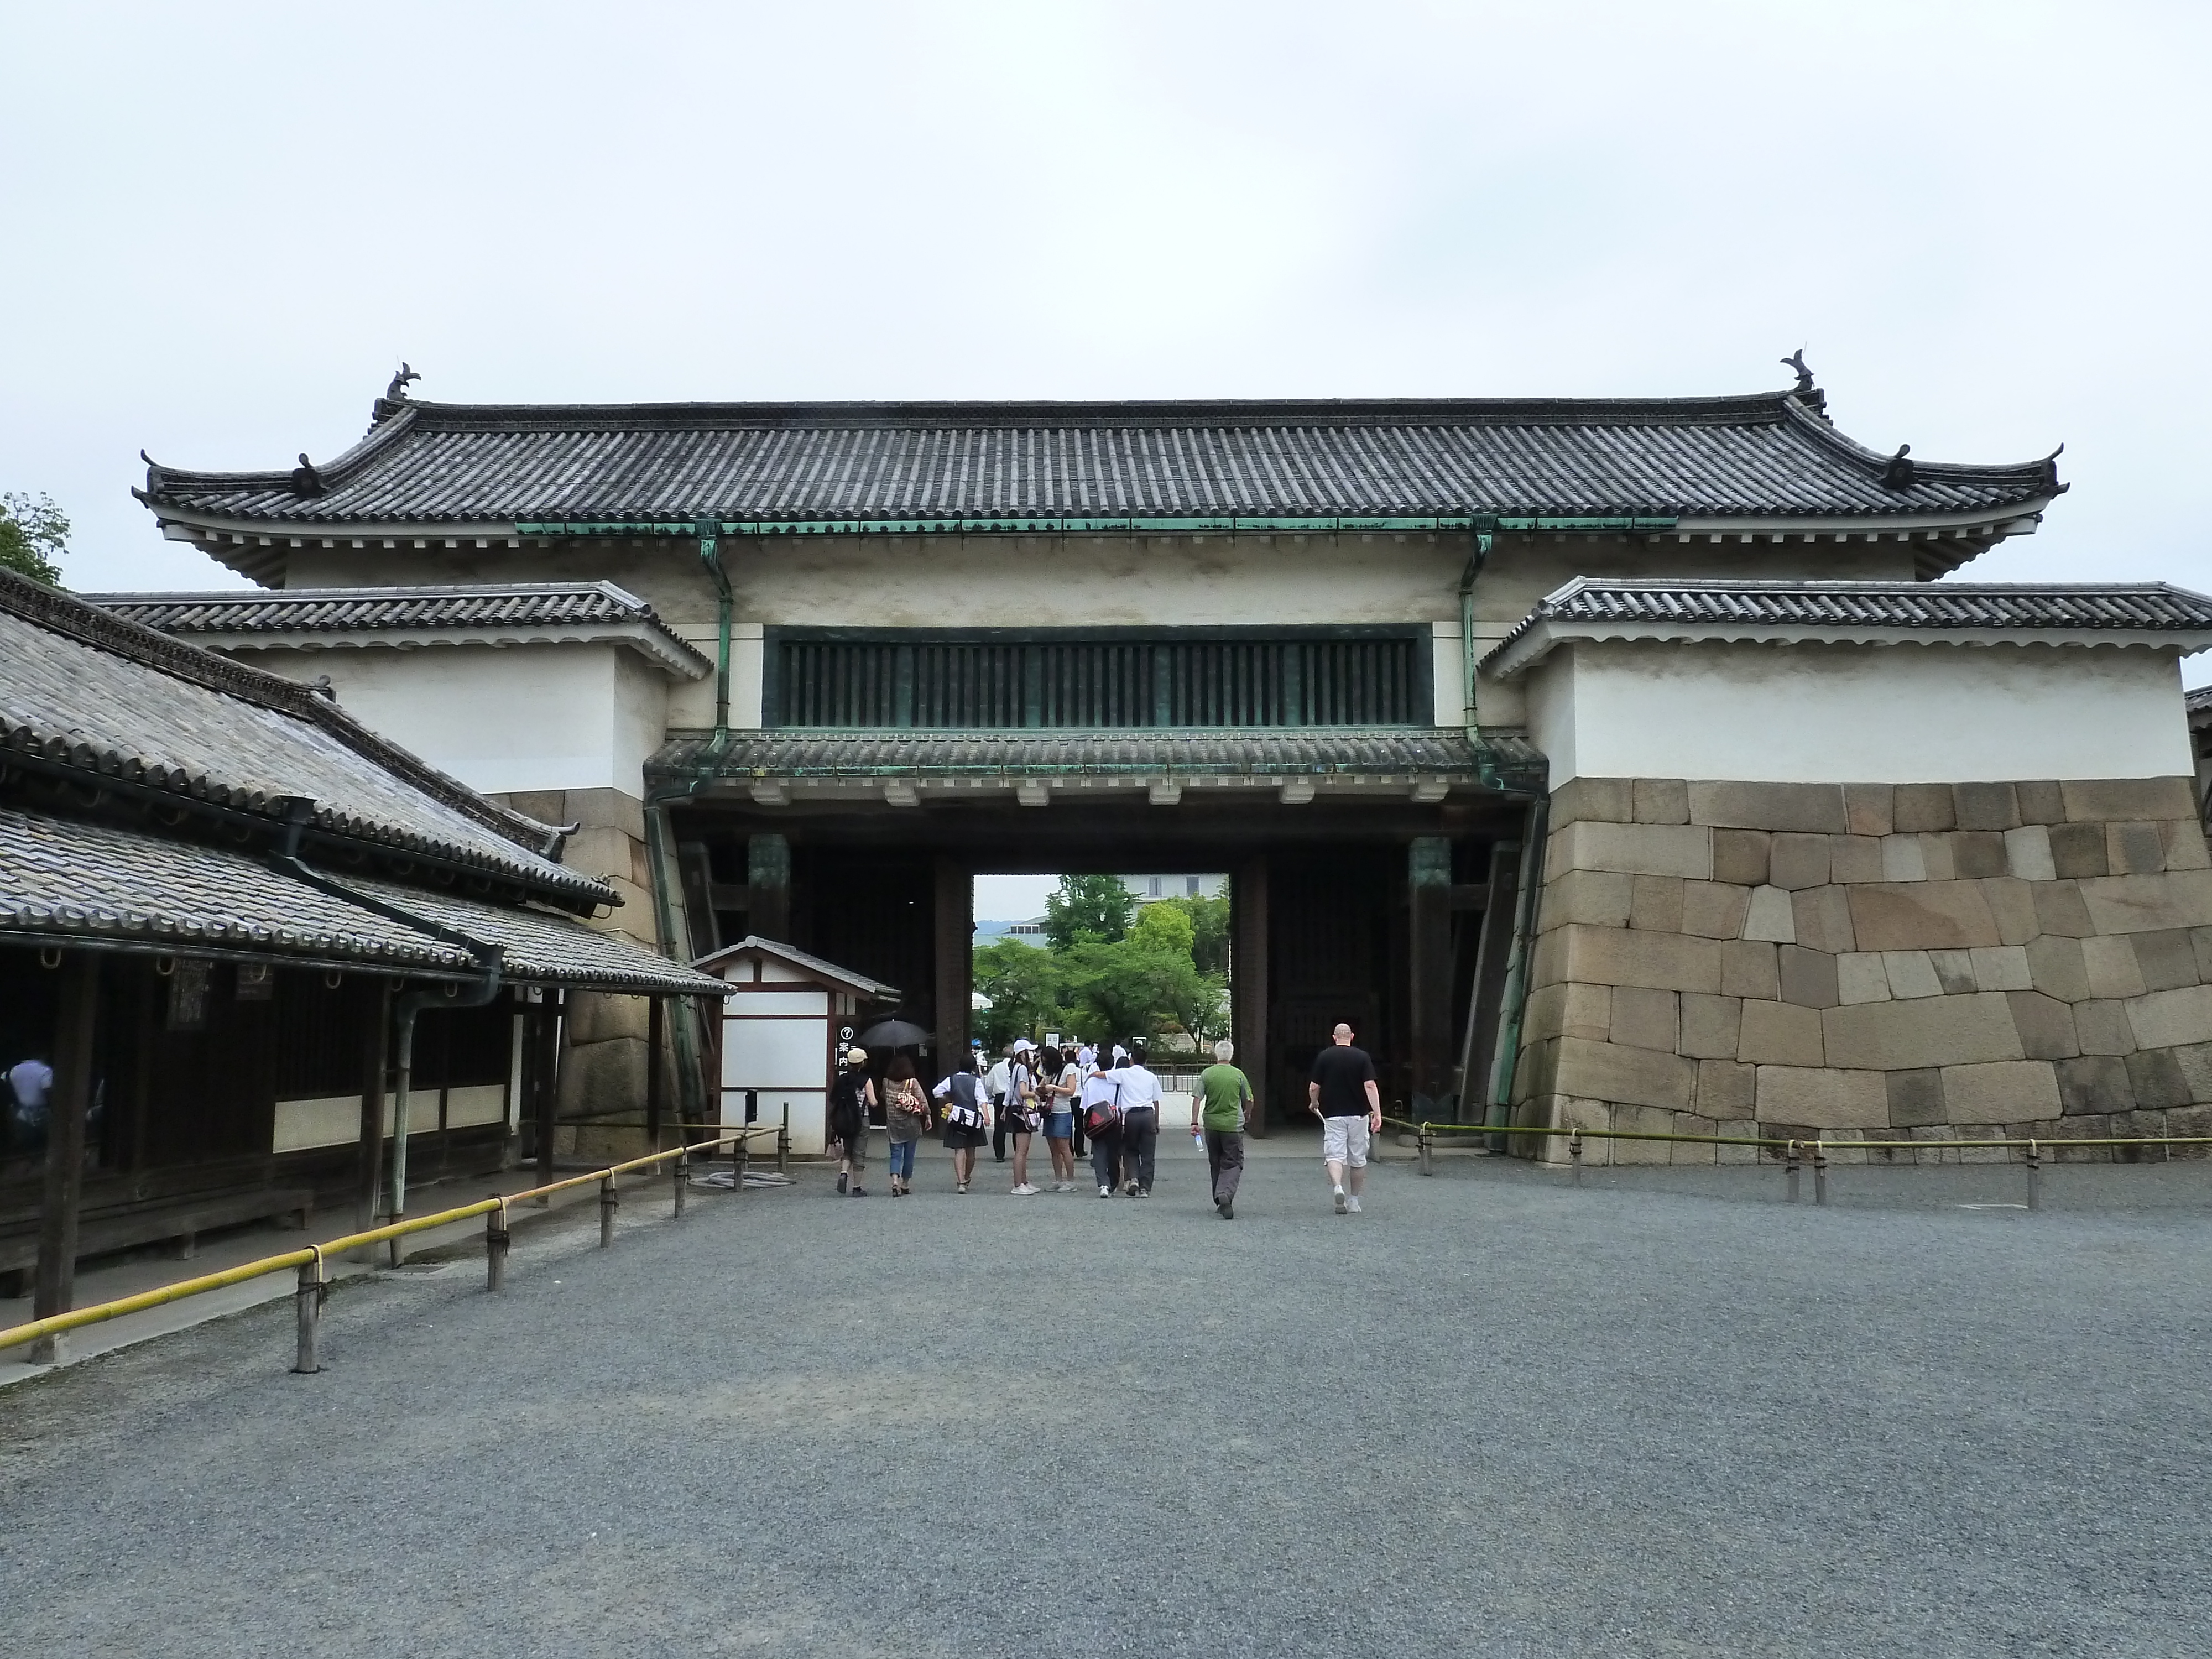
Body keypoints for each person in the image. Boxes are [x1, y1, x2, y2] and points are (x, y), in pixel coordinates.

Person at [1308, 1022, 1382, 1214]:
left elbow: (1314, 1086)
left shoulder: (1324, 1056)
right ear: (1352, 1036)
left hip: (1333, 1114)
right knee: (1358, 1159)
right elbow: (1370, 1086)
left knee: (1334, 1154)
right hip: (1358, 1114)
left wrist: (1314, 1102)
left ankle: (1338, 1187)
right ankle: (1354, 1200)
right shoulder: (1362, 1057)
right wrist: (1377, 1113)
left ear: (1334, 1037)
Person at [1194, 1038, 1253, 1219]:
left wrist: (1194, 1122)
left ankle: (1219, 1199)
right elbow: (1250, 1099)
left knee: (1216, 1162)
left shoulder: (1207, 1074)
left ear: (1216, 1055)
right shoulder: (1238, 1075)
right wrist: (1247, 1115)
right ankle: (1225, 1193)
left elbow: (1197, 1098)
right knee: (1233, 1162)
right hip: (1232, 1126)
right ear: (1231, 1055)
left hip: (1212, 1125)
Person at [933, 1052, 990, 1193]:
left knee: (959, 1150)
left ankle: (960, 1182)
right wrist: (987, 1116)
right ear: (973, 1066)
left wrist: (947, 1100)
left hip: (957, 1118)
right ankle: (967, 1177)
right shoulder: (976, 1081)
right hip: (973, 1120)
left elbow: (936, 1092)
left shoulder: (952, 1079)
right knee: (971, 1151)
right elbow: (982, 1100)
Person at [1115, 1041, 1163, 1198]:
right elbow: (1156, 1102)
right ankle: (1145, 1188)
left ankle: (1134, 1178)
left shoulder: (1124, 1074)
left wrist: (1094, 1074)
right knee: (1148, 1154)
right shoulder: (1151, 1077)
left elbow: (1105, 1075)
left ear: (1131, 1060)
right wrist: (1156, 1123)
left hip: (1131, 1116)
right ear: (1146, 1061)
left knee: (1131, 1150)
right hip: (1148, 1115)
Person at [828, 1047, 877, 1197]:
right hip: (862, 1119)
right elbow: (874, 1102)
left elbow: (833, 1099)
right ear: (863, 1063)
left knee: (848, 1150)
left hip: (845, 1120)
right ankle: (857, 1187)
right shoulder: (866, 1080)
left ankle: (843, 1173)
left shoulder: (841, 1080)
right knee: (859, 1154)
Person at [1079, 1049, 1124, 1198]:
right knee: (1113, 1153)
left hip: (1096, 1121)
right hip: (1114, 1121)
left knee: (1098, 1153)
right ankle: (1113, 1182)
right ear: (1113, 1064)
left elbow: (1084, 1105)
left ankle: (1103, 1184)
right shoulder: (1117, 1081)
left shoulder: (1091, 1081)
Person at [883, 1055, 928, 1196]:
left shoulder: (886, 1082)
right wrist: (928, 1115)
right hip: (911, 1124)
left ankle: (895, 1181)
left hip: (893, 1124)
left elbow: (883, 1096)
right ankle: (905, 1185)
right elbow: (922, 1100)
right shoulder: (912, 1083)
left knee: (895, 1155)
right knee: (909, 1156)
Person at [1037, 1045, 1079, 1192]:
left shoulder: (1069, 1069)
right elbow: (1041, 1086)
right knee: (1053, 1148)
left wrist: (1053, 1088)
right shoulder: (1049, 1072)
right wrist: (1041, 1089)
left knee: (1064, 1147)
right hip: (1050, 1111)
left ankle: (1071, 1181)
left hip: (1063, 1111)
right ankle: (1058, 1179)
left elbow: (1071, 1090)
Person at [1003, 1043, 1041, 1194]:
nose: (1032, 1054)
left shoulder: (1016, 1068)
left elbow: (1011, 1090)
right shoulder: (1023, 1069)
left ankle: (1024, 1182)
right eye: (1029, 1051)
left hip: (1016, 1111)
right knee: (1021, 1151)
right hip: (1022, 1112)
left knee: (1022, 1151)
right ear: (1022, 1053)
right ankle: (1018, 1184)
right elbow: (1023, 1092)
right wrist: (1037, 1093)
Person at [6, 1053, 52, 1157]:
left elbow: (7, 1087)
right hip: (43, 1112)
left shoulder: (14, 1070)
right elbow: (48, 1091)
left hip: (21, 1113)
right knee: (45, 1144)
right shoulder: (45, 1070)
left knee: (25, 1146)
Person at [987, 1045, 1016, 1162]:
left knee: (999, 1126)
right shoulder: (1017, 1067)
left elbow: (989, 1084)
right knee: (1016, 1126)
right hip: (1013, 1097)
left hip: (999, 1096)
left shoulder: (996, 1068)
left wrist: (989, 1096)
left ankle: (999, 1155)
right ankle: (1018, 1152)